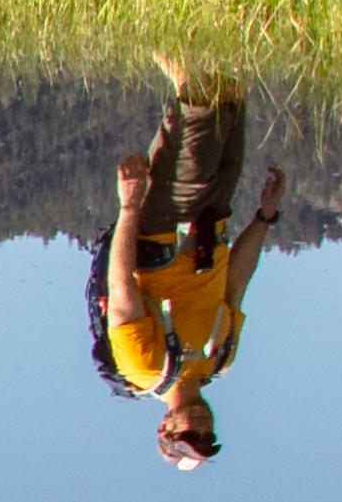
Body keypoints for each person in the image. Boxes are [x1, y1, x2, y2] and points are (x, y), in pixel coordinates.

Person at [92, 64, 280, 467]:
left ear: (165, 428)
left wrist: (129, 207)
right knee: (230, 100)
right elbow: (236, 283)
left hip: (163, 227)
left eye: (188, 435)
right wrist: (264, 218)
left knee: (196, 105)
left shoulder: (145, 367)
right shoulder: (221, 359)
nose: (200, 427)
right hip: (214, 221)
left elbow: (121, 284)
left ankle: (155, 29)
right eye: (207, 436)